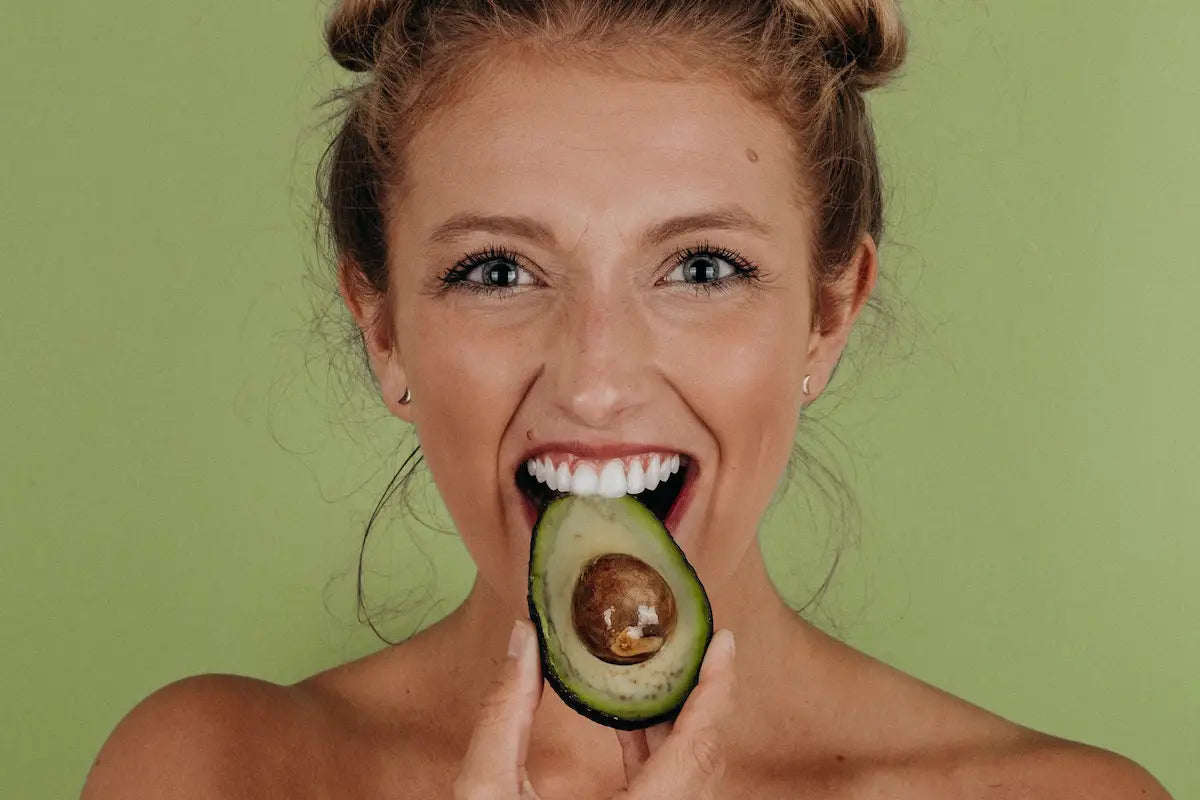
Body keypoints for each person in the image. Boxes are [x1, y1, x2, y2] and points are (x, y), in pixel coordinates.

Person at [82, 1, 1173, 797]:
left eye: (702, 268)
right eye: (498, 271)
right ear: (382, 325)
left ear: (830, 313)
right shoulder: (210, 770)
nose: (596, 384)